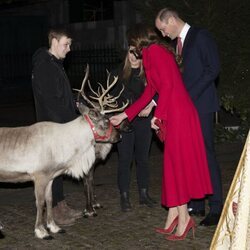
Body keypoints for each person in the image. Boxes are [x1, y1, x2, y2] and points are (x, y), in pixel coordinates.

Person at [109, 24, 213, 241]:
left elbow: (166, 86)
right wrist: (126, 115)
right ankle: (175, 215)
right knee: (173, 165)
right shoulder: (150, 54)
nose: (132, 47)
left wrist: (159, 115)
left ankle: (185, 220)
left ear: (138, 40)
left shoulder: (155, 52)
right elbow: (151, 90)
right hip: (175, 111)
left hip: (179, 113)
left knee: (178, 165)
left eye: (132, 42)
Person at [155, 8, 223, 226]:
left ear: (172, 20)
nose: (163, 34)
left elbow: (213, 69)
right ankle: (197, 202)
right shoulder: (176, 45)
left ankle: (216, 205)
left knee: (206, 152)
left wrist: (188, 96)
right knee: (192, 155)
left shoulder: (200, 36)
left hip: (201, 105)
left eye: (163, 29)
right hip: (185, 109)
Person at [32, 27, 82, 225]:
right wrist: (68, 125)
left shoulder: (54, 64)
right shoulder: (45, 66)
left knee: (58, 169)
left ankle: (60, 205)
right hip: (53, 128)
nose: (68, 49)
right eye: (66, 44)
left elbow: (61, 95)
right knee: (51, 171)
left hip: (59, 127)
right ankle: (54, 210)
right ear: (54, 42)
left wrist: (75, 104)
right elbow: (51, 102)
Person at [110, 44, 156, 212]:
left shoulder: (149, 73)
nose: (134, 57)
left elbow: (158, 91)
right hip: (125, 122)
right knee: (125, 159)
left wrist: (150, 105)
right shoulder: (117, 74)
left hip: (144, 120)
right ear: (127, 52)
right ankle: (124, 196)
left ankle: (144, 194)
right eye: (131, 52)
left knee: (143, 158)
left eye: (137, 53)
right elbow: (112, 100)